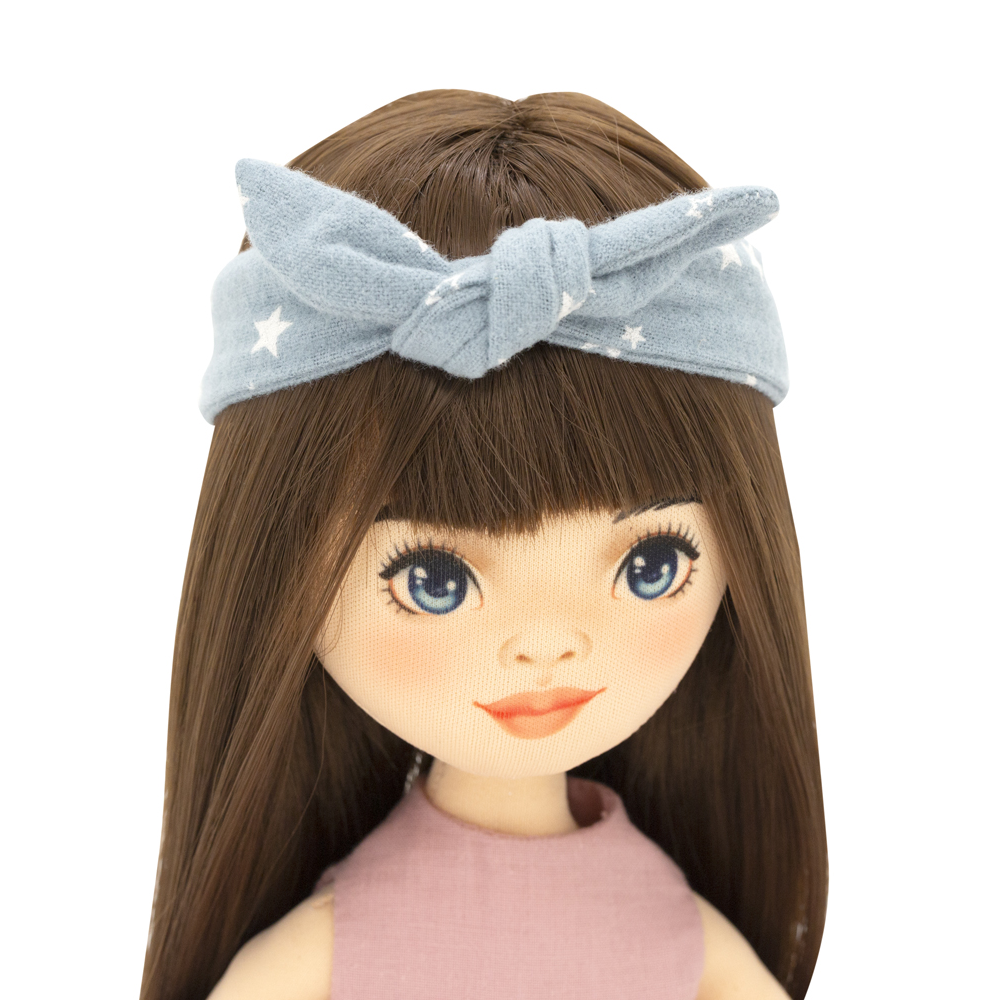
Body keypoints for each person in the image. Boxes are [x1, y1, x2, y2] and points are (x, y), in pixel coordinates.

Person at [140, 90, 827, 1000]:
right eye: (431, 578)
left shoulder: (676, 930)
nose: (547, 645)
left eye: (651, 565)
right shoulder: (337, 943)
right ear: (277, 571)